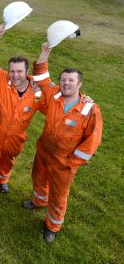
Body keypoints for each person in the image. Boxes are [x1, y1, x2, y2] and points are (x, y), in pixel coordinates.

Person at [23, 43, 102, 243]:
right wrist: (45, 51)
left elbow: (92, 141)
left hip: (64, 162)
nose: (66, 83)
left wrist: (72, 162)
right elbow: (40, 74)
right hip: (44, 151)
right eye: (64, 79)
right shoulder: (55, 94)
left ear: (79, 84)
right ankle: (39, 201)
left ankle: (53, 226)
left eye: (71, 80)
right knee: (38, 179)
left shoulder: (89, 110)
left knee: (58, 195)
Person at [0, 24, 44, 217]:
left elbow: (55, 107)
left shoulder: (37, 92)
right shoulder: (2, 79)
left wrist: (81, 98)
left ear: (27, 71)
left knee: (7, 162)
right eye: (12, 71)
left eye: (19, 71)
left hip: (15, 140)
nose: (14, 75)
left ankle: (2, 179)